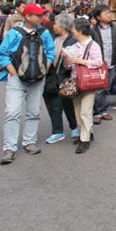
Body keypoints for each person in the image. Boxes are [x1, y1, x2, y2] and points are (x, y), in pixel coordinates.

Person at [0, 3, 56, 164]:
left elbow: (51, 52)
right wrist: (13, 72)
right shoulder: (15, 33)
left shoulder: (44, 33)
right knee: (12, 112)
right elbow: (1, 54)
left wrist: (46, 66)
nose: (41, 17)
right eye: (38, 15)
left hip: (38, 78)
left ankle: (29, 142)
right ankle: (10, 147)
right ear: (28, 17)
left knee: (34, 111)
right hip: (17, 78)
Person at [65, 17, 103, 154]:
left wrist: (82, 61)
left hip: (88, 83)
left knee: (85, 111)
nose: (72, 32)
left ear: (80, 30)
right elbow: (68, 66)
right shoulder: (73, 46)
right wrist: (67, 59)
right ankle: (85, 133)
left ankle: (85, 140)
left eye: (73, 29)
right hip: (76, 82)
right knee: (77, 110)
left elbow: (99, 62)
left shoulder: (93, 45)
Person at [43, 13, 78, 144]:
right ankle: (57, 131)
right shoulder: (51, 37)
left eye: (56, 23)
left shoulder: (73, 40)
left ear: (63, 26)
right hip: (52, 76)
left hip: (66, 76)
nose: (54, 26)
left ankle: (74, 126)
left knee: (67, 103)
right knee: (54, 105)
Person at [90, 4, 116, 125]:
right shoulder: (93, 30)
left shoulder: (114, 28)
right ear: (98, 17)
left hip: (111, 62)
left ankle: (104, 111)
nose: (109, 15)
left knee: (107, 88)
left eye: (109, 12)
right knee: (98, 89)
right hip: (99, 64)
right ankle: (97, 113)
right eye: (106, 13)